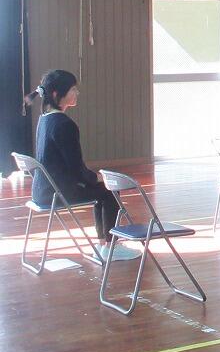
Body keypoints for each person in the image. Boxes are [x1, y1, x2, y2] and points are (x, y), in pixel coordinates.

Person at [23, 70, 138, 261]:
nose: (77, 93)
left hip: (42, 191)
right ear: (56, 94)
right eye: (73, 89)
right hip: (58, 192)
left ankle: (104, 245)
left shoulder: (44, 119)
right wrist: (96, 177)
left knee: (102, 189)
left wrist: (93, 178)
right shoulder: (64, 124)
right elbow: (76, 169)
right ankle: (110, 246)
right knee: (109, 190)